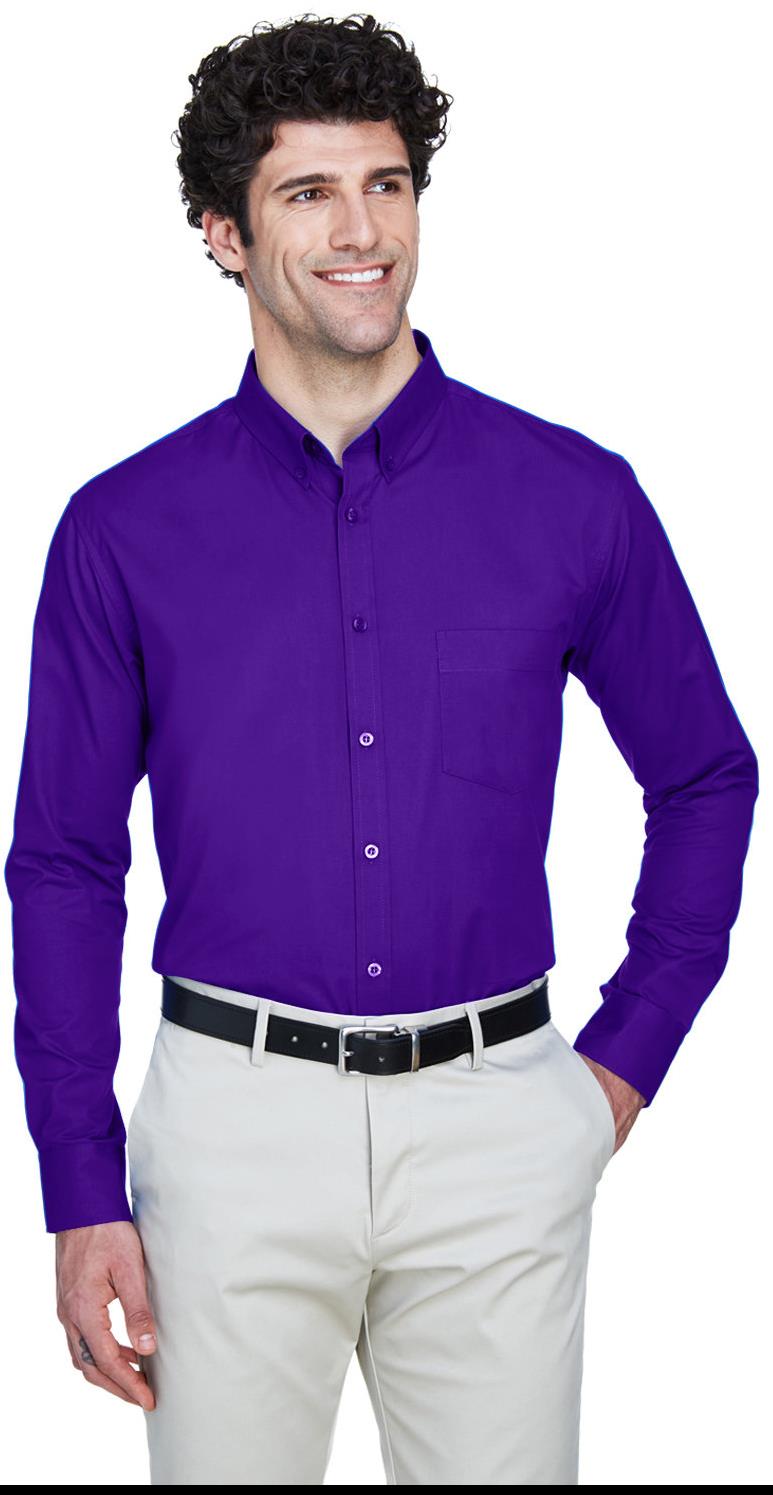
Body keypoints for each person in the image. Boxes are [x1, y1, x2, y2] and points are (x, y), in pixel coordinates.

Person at [4, 12, 759, 1486]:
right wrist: (80, 1183)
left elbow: (702, 777)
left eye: (388, 184)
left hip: (499, 1122)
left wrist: (619, 1064)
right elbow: (66, 865)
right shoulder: (123, 530)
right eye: (309, 193)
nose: (363, 233)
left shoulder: (573, 498)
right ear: (223, 234)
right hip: (230, 1130)